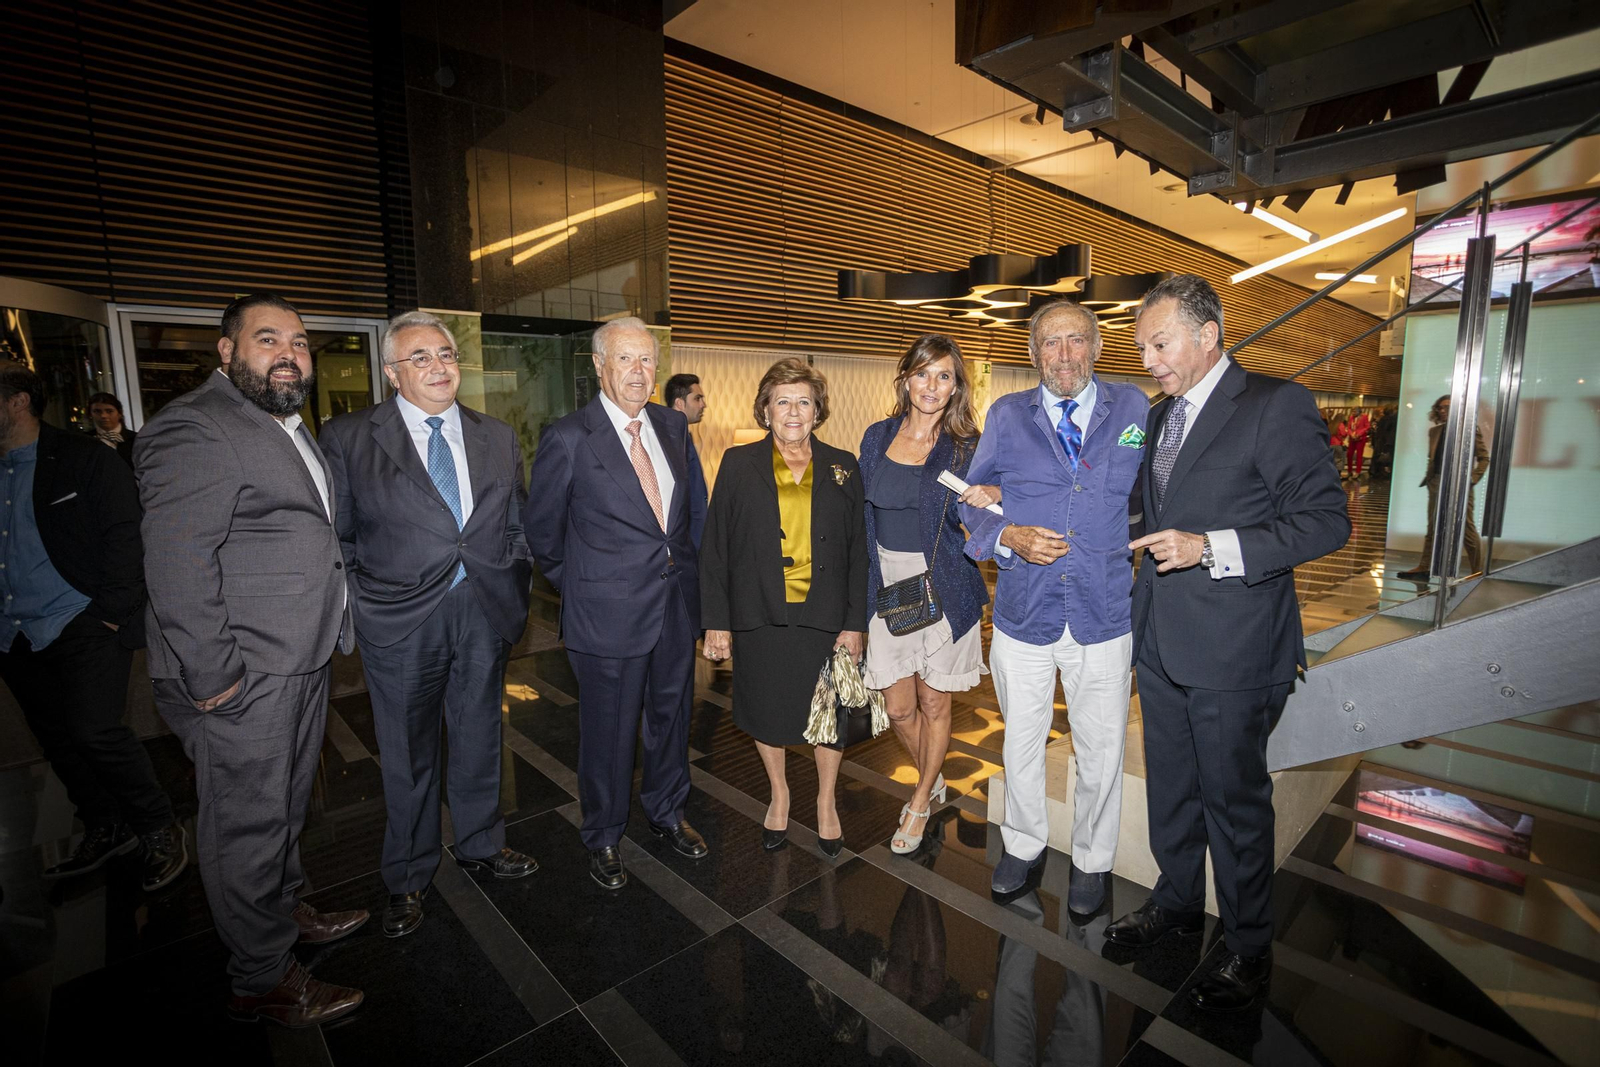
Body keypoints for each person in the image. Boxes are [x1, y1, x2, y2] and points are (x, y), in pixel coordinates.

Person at [1109, 275, 1349, 1013]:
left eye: (1160, 343)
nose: (1148, 359)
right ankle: (1176, 899)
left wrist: (1212, 545)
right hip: (1162, 639)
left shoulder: (1277, 405)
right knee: (1173, 791)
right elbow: (1134, 500)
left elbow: (1325, 521)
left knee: (1235, 803)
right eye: (1143, 346)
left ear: (1208, 332)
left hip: (1236, 649)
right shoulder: (1152, 418)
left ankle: (1248, 948)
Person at [137, 293, 367, 1027]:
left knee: (282, 807)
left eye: (299, 342)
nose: (289, 354)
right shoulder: (197, 426)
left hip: (294, 657)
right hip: (243, 671)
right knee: (245, 823)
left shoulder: (285, 424)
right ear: (226, 351)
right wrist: (216, 677)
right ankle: (260, 975)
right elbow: (177, 563)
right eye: (267, 339)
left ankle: (280, 911)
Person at [319, 311, 538, 940]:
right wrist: (369, 598)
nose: (438, 366)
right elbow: (340, 535)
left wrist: (512, 574)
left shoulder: (495, 434)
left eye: (445, 354)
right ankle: (410, 874)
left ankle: (479, 843)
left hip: (482, 610)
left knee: (477, 737)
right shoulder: (349, 436)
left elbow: (515, 522)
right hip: (400, 618)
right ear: (391, 372)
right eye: (420, 357)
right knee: (408, 755)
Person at [959, 301, 1149, 911]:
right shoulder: (1007, 415)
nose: (1063, 355)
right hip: (1023, 611)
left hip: (1103, 610)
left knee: (1101, 746)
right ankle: (1022, 844)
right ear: (1034, 352)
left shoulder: (1134, 409)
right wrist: (1005, 536)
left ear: (1096, 346)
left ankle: (1093, 861)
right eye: (1050, 343)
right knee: (1022, 740)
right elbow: (970, 497)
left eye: (1075, 341)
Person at [525, 317, 707, 890]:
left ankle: (667, 811)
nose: (638, 372)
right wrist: (587, 586)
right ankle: (603, 834)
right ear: (600, 367)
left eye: (647, 360)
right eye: (625, 360)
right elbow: (543, 534)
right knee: (608, 732)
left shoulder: (675, 426)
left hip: (674, 606)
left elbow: (693, 516)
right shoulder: (569, 437)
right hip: (606, 616)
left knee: (671, 720)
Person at [0, 367, 184, 891]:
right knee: (57, 740)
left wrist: (108, 611)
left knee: (95, 730)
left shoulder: (82, 458)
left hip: (83, 621)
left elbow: (128, 534)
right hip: (13, 632)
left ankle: (158, 825)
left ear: (17, 402)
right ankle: (105, 824)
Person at [700, 357, 867, 857]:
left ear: (818, 411)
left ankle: (825, 802)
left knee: (828, 716)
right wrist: (716, 622)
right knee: (767, 712)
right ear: (766, 410)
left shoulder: (843, 466)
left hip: (826, 614)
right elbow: (715, 548)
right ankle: (778, 795)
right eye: (783, 402)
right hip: (759, 615)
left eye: (804, 402)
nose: (793, 412)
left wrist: (855, 623)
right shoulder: (737, 463)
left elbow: (859, 549)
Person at [858, 335, 989, 855]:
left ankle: (919, 799)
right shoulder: (877, 435)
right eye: (922, 374)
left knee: (935, 701)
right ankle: (928, 776)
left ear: (956, 385)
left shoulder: (968, 446)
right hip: (886, 583)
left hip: (943, 583)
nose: (931, 386)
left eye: (944, 376)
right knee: (898, 706)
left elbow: (997, 499)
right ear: (905, 378)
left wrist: (995, 493)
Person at [1396, 394, 1489, 580]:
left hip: (1459, 484)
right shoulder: (1435, 431)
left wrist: (1471, 479)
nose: (1443, 410)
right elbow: (1434, 459)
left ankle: (1478, 572)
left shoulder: (1469, 430)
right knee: (1433, 526)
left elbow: (1484, 458)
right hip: (1436, 482)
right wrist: (1431, 480)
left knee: (1466, 528)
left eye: (1447, 407)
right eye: (1440, 407)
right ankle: (1424, 567)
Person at [665, 372, 708, 550]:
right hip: (685, 546)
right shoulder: (669, 442)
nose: (704, 405)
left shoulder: (684, 437)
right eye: (697, 399)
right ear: (680, 403)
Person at [87, 392, 136, 468]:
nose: (103, 416)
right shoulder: (85, 439)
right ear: (90, 414)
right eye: (97, 411)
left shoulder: (136, 439)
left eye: (109, 411)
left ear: (120, 413)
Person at [1345, 408, 1371, 478]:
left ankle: (1357, 471)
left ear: (1359, 411)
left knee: (1359, 455)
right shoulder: (1351, 418)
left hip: (1360, 439)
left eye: (1354, 411)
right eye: (1352, 411)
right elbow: (1349, 427)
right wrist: (1351, 434)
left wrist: (1359, 434)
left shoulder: (1364, 417)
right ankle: (1349, 471)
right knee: (1349, 454)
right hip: (1352, 439)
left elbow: (1367, 427)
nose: (1353, 413)